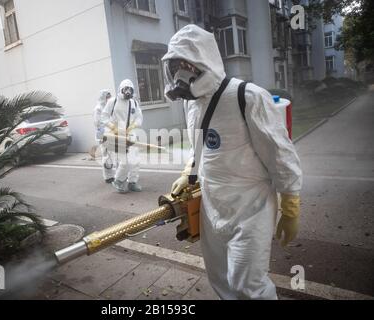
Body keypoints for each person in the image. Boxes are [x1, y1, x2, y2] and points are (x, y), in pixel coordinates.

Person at [162, 25, 302, 300]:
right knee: (221, 280)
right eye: (175, 65)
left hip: (251, 210)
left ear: (204, 59)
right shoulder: (192, 105)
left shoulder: (247, 97)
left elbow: (281, 154)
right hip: (212, 208)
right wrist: (188, 171)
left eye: (185, 64)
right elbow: (199, 147)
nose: (180, 73)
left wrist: (290, 203)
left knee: (248, 286)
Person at [102, 79, 143, 193]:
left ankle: (132, 182)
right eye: (126, 89)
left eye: (130, 89)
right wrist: (113, 127)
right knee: (125, 161)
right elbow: (104, 117)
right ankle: (118, 181)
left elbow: (139, 117)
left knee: (136, 160)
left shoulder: (134, 102)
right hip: (117, 135)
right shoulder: (112, 101)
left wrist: (134, 125)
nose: (128, 91)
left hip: (130, 134)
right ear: (121, 89)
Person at [93, 89, 115, 183]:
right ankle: (108, 177)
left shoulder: (109, 107)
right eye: (107, 96)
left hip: (111, 134)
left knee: (114, 155)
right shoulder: (98, 108)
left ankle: (117, 175)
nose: (109, 98)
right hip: (103, 136)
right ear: (103, 97)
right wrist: (103, 137)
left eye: (110, 96)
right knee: (106, 156)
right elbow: (98, 123)